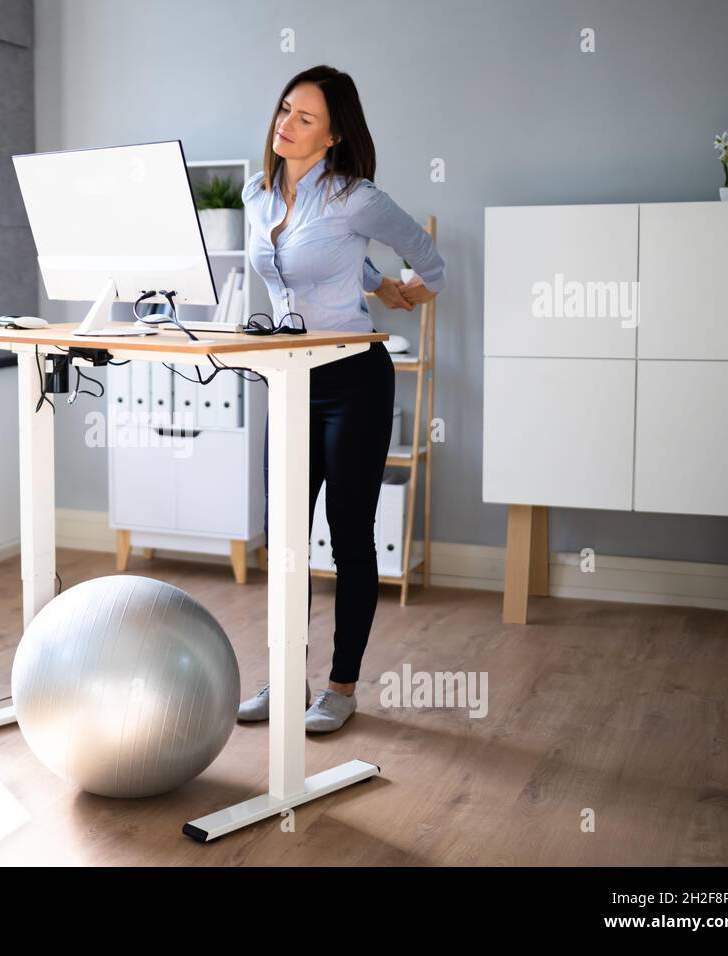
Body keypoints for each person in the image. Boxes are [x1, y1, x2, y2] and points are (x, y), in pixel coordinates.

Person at [236, 64, 445, 733]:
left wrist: (406, 287)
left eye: (305, 118)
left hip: (354, 378)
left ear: (332, 137)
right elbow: (322, 259)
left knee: (350, 537)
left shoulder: (357, 196)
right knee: (287, 539)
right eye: (284, 109)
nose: (285, 125)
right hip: (290, 379)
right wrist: (374, 278)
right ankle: (283, 680)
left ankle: (342, 686)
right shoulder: (256, 195)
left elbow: (427, 256)